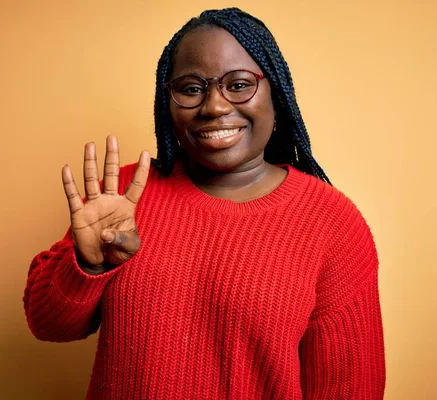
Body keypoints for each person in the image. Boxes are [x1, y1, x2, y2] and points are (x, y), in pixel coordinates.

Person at [23, 7, 385, 399]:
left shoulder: (332, 222)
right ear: (168, 102)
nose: (214, 106)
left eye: (239, 84)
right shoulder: (125, 195)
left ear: (275, 94)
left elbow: (351, 388)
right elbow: (49, 325)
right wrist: (89, 264)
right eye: (192, 88)